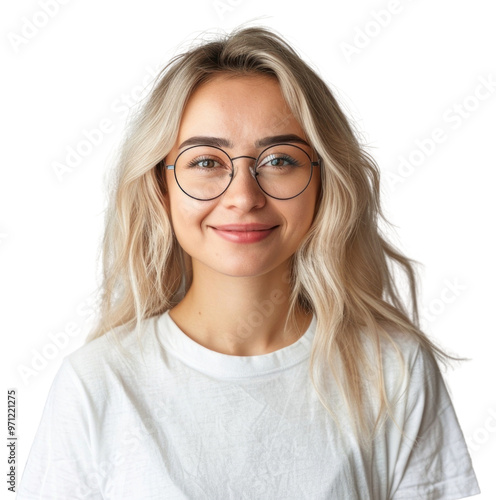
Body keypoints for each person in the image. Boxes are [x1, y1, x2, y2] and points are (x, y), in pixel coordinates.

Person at [18, 26, 480, 499]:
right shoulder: (96, 384)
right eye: (205, 162)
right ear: (161, 185)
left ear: (325, 182)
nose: (243, 196)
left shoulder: (392, 372)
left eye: (279, 160)